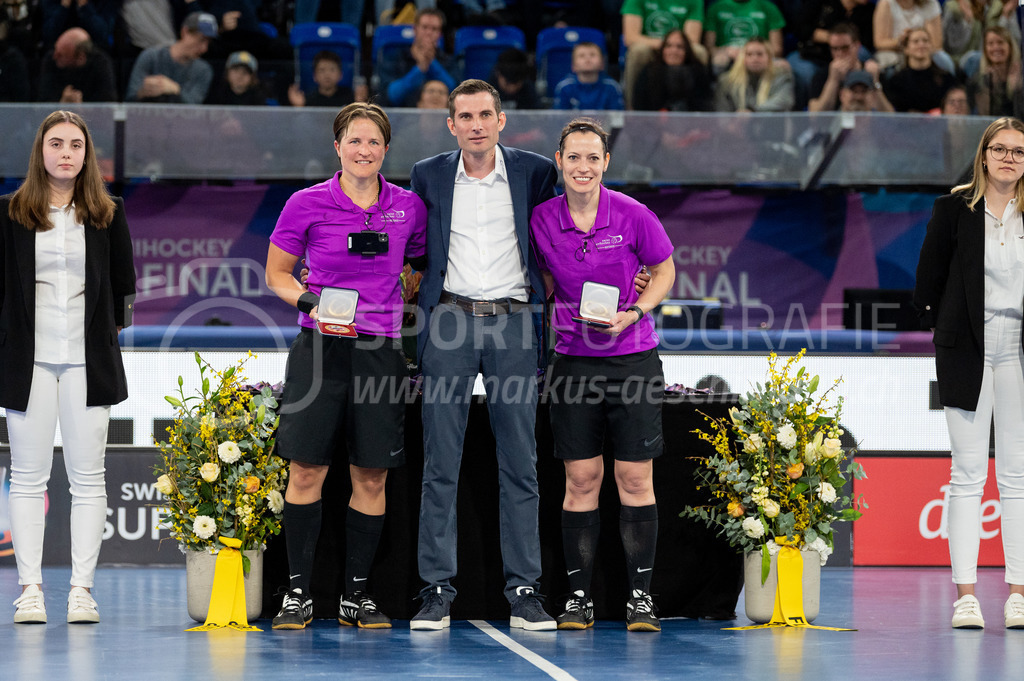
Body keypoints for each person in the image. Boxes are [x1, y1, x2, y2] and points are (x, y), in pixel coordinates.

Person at [265, 102, 427, 631]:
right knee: (306, 470)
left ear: (386, 149)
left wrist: (407, 292)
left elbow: (421, 262)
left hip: (381, 352)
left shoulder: (408, 207)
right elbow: (277, 274)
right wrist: (309, 302)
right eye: (354, 141)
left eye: (374, 142)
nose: (364, 150)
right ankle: (298, 594)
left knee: (371, 474)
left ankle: (355, 595)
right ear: (337, 147)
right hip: (320, 350)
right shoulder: (305, 203)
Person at [408, 78, 558, 631]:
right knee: (439, 464)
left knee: (521, 463)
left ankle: (525, 591)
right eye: (465, 117)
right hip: (448, 319)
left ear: (501, 120)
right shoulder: (427, 174)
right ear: (451, 124)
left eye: (485, 115)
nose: (476, 125)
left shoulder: (534, 172)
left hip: (514, 323)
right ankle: (435, 590)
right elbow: (412, 250)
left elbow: (561, 237)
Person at [530, 117, 675, 632]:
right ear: (559, 161)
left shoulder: (634, 214)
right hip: (572, 361)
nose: (583, 167)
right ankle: (578, 599)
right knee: (581, 479)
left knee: (634, 478)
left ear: (606, 162)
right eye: (574, 157)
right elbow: (540, 275)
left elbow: (664, 270)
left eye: (593, 157)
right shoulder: (541, 219)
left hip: (632, 359)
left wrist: (635, 312)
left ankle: (640, 598)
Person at [3, 110, 136, 625]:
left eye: (75, 145)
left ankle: (82, 591)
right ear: (40, 151)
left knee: (89, 479)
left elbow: (123, 288)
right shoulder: (9, 212)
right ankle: (30, 590)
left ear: (87, 154)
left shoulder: (108, 213)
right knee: (27, 478)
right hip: (27, 362)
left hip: (88, 362)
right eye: (56, 143)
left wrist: (103, 338)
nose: (66, 153)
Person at [913, 116, 1024, 630]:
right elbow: (927, 283)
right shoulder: (954, 209)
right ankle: (966, 598)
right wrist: (951, 330)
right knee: (967, 475)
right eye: (1000, 149)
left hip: (1020, 350)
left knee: (1017, 477)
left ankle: (1018, 596)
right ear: (983, 155)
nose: (1009, 158)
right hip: (966, 350)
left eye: (1018, 152)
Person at [620, 0, 705, 109]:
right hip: (650, 47)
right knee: (639, 51)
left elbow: (692, 39)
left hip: (679, 46)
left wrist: (673, 46)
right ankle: (631, 108)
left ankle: (699, 109)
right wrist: (666, 45)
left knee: (699, 51)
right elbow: (630, 37)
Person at [125, 11, 217, 104]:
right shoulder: (151, 56)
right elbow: (130, 98)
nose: (204, 48)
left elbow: (195, 105)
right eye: (201, 40)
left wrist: (175, 89)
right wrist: (143, 92)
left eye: (208, 42)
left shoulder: (203, 70)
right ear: (185, 32)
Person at [378, 8, 455, 108]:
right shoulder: (394, 57)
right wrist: (420, 68)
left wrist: (431, 63)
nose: (429, 33)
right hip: (402, 115)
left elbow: (455, 93)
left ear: (440, 34)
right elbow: (392, 95)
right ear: (415, 29)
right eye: (424, 27)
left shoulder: (448, 60)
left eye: (434, 29)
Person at [808, 24, 890, 113]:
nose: (839, 53)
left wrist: (875, 81)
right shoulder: (822, 75)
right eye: (834, 49)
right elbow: (814, 116)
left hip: (867, 121)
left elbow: (891, 116)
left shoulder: (872, 71)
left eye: (845, 48)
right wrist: (833, 81)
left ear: (857, 46)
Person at [632, 27, 712, 112]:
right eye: (668, 46)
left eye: (679, 47)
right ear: (662, 49)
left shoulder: (698, 72)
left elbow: (704, 104)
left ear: (687, 50)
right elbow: (640, 105)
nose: (673, 51)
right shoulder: (649, 72)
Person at [882, 27, 957, 113]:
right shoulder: (897, 81)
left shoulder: (945, 78)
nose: (921, 45)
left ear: (931, 46)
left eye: (925, 41)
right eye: (916, 41)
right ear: (906, 49)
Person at [713, 37, 795, 113]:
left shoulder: (781, 76)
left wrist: (753, 111)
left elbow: (784, 101)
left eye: (760, 54)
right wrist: (733, 122)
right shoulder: (727, 81)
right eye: (749, 54)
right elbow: (722, 112)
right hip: (738, 124)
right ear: (742, 58)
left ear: (769, 57)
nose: (755, 59)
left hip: (771, 122)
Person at [37, 27, 117, 103]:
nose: (54, 57)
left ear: (80, 57)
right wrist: (61, 104)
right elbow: (42, 100)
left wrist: (81, 108)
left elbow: (107, 103)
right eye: (55, 49)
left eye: (61, 55)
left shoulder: (101, 63)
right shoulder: (50, 60)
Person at [704, 0, 786, 73]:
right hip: (729, 57)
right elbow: (709, 48)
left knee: (783, 66)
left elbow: (777, 49)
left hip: (759, 56)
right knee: (718, 61)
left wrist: (750, 54)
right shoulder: (715, 8)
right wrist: (726, 51)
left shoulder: (769, 7)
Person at [873, 0, 950, 71]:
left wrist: (920, 44)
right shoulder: (886, 4)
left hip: (925, 50)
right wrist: (901, 41)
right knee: (891, 65)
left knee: (942, 59)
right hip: (896, 52)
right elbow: (879, 42)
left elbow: (937, 44)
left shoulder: (930, 4)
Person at [968, 26, 1022, 117]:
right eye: (990, 43)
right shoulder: (977, 80)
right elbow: (983, 116)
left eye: (1000, 42)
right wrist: (989, 86)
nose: (996, 47)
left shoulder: (1021, 75)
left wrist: (1017, 90)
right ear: (985, 49)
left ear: (1010, 47)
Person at [552, 41, 623, 111]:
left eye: (592, 55)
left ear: (602, 64)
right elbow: (559, 117)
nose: (587, 59)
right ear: (573, 66)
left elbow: (617, 116)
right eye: (582, 56)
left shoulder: (612, 87)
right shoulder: (565, 87)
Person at [288, 50, 355, 108]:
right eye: (322, 70)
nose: (327, 75)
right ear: (314, 76)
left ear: (340, 74)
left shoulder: (349, 97)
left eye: (332, 70)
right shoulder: (308, 99)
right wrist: (299, 107)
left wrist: (358, 103)